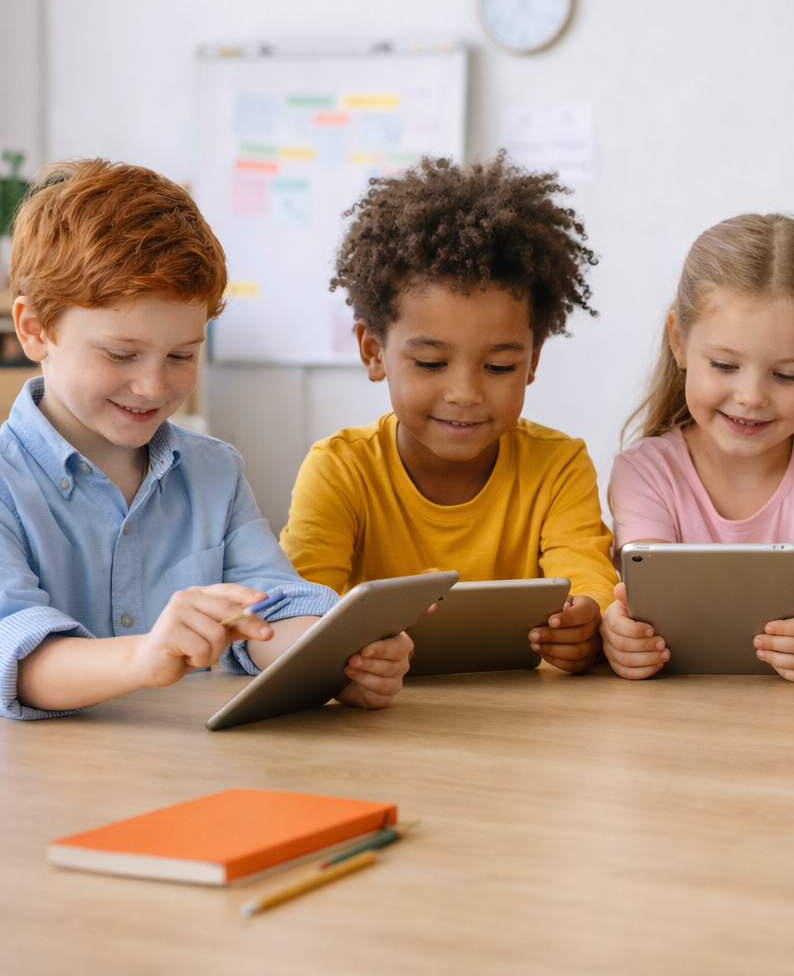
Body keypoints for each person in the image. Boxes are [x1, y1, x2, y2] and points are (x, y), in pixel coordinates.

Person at [0, 158, 411, 720]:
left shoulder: (214, 472)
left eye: (181, 356)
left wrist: (338, 659)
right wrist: (143, 656)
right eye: (120, 354)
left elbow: (271, 610)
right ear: (33, 330)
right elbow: (14, 657)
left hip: (190, 772)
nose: (152, 385)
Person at [280, 154, 617, 674]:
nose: (465, 393)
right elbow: (299, 611)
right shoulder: (340, 471)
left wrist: (586, 623)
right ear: (373, 352)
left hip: (524, 724)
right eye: (432, 362)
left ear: (533, 361)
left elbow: (589, 581)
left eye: (500, 365)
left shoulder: (559, 466)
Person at [601, 213, 794, 681]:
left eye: (786, 375)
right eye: (724, 365)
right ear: (679, 341)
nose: (751, 396)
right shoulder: (644, 471)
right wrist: (623, 636)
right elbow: (648, 615)